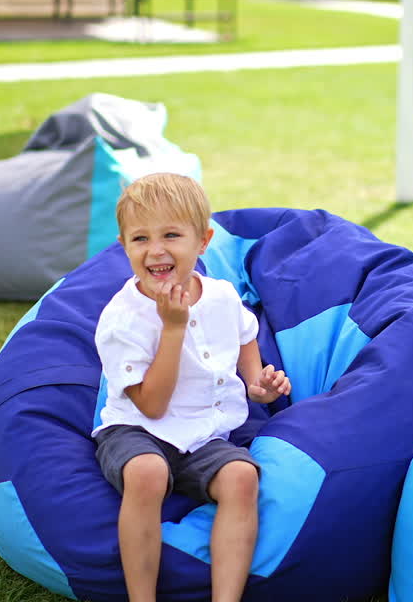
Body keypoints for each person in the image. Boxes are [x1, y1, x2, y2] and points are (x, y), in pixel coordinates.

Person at [92, 172, 291, 602]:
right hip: (137, 429)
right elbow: (151, 406)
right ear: (124, 245)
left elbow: (246, 342)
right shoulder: (123, 318)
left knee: (241, 477)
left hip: (203, 433)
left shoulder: (221, 296)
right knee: (147, 472)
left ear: (203, 241)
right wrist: (173, 329)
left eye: (171, 235)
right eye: (140, 238)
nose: (155, 250)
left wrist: (259, 385)